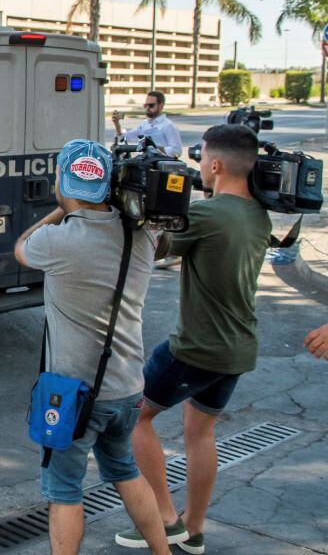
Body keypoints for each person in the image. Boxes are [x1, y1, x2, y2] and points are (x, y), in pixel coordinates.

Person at [116, 124, 271, 554]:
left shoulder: (206, 215)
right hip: (238, 348)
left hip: (196, 349)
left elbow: (155, 247)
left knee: (133, 417)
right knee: (199, 431)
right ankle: (194, 528)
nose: (198, 164)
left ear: (216, 164)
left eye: (201, 157)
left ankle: (165, 519)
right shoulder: (256, 212)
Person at [14, 139, 170, 555]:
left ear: (63, 184)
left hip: (74, 398)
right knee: (125, 470)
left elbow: (21, 247)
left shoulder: (57, 241)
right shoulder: (142, 236)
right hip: (128, 388)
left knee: (64, 489)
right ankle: (163, 550)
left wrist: (60, 211)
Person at [112, 91, 182, 157]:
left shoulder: (168, 125)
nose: (147, 108)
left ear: (161, 106)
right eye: (146, 105)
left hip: (161, 166)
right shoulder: (144, 124)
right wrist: (117, 123)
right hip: (143, 164)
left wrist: (154, 148)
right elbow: (126, 137)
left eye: (151, 105)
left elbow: (177, 151)